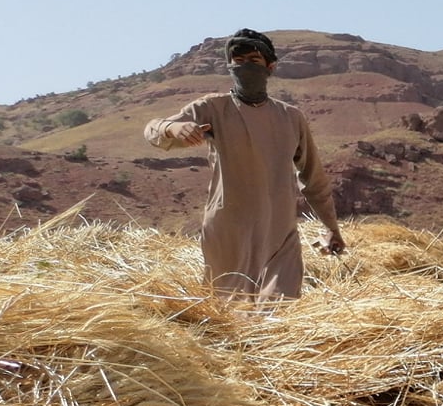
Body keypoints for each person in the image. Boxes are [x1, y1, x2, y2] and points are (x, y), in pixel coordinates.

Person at [143, 29, 345, 299]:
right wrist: (172, 128)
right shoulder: (213, 108)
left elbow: (313, 178)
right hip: (229, 232)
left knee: (280, 311)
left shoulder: (291, 118)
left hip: (279, 234)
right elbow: (152, 130)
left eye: (253, 60)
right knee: (230, 316)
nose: (244, 67)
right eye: (237, 61)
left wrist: (331, 227)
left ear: (270, 67)